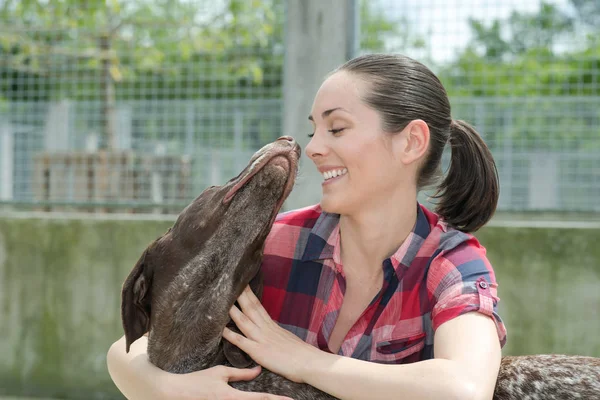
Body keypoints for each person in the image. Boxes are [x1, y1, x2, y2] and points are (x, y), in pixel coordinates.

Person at [107, 53, 507, 400]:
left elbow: (463, 388)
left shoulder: (452, 262)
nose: (313, 147)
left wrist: (303, 360)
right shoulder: (277, 243)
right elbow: (129, 350)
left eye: (336, 128)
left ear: (411, 142)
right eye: (313, 129)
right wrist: (165, 390)